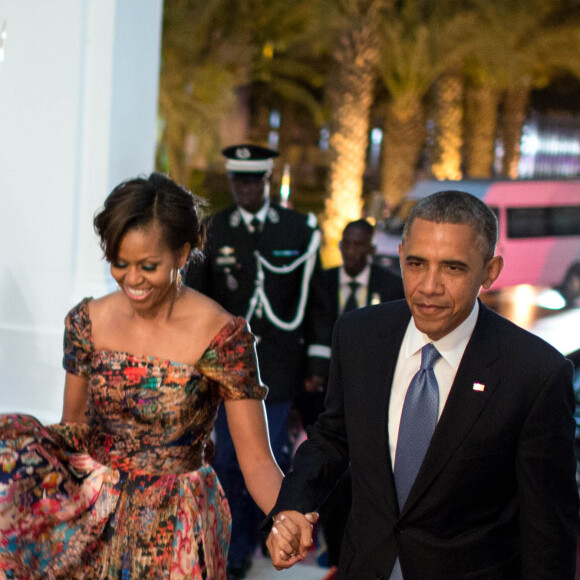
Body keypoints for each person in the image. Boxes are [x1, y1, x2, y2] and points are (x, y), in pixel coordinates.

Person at [266, 190, 579, 579]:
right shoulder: (359, 335)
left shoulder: (535, 374)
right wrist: (294, 506)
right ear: (399, 257)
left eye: (453, 268)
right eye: (416, 263)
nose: (429, 286)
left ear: (490, 271)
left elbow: (548, 532)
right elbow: (332, 436)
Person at [0, 173, 298, 579]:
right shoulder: (87, 322)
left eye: (148, 266)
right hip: (94, 518)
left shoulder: (221, 335)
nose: (132, 280)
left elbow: (258, 463)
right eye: (120, 263)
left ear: (182, 254)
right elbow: (73, 430)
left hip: (177, 526)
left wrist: (289, 516)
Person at [184, 144, 330, 579]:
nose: (246, 188)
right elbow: (196, 297)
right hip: (224, 367)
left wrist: (316, 362)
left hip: (279, 367)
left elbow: (319, 302)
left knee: (273, 457)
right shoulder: (215, 228)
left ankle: (248, 541)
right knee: (228, 460)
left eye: (254, 181)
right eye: (239, 181)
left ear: (267, 181)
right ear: (231, 182)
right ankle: (235, 548)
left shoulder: (298, 229)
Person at [311, 218, 405, 570]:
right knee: (330, 481)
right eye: (346, 244)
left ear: (370, 249)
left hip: (375, 401)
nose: (351, 251)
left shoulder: (390, 286)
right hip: (328, 400)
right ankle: (334, 555)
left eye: (358, 245)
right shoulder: (322, 280)